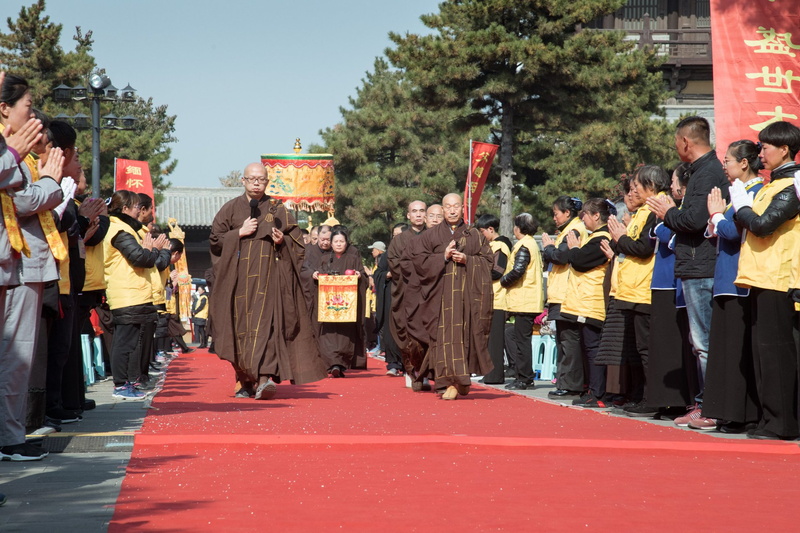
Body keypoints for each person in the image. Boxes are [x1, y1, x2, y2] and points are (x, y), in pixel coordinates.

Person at [209, 163, 326, 399]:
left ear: (267, 182)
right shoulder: (230, 209)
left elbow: (298, 242)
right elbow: (215, 240)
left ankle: (263, 380)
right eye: (252, 179)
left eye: (261, 180)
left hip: (269, 283)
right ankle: (245, 381)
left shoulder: (278, 209)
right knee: (240, 331)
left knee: (268, 328)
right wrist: (238, 233)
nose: (256, 183)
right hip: (238, 283)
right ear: (242, 181)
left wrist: (283, 241)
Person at [646, 116, 729, 424]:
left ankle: (709, 407)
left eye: (676, 142)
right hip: (697, 263)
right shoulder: (703, 171)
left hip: (701, 264)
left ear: (685, 142)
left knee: (704, 341)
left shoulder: (707, 172)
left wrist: (668, 212)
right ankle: (705, 403)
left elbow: (694, 221)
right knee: (701, 342)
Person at [1, 71, 65, 461]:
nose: (34, 116)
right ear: (5, 108)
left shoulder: (16, 153)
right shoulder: (11, 151)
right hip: (15, 259)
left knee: (17, 355)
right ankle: (9, 437)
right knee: (15, 354)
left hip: (21, 261)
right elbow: (21, 202)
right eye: (28, 107)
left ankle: (10, 436)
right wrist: (52, 183)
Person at [731, 121, 800, 440]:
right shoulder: (773, 185)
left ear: (785, 149)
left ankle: (782, 422)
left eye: (766, 147)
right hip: (761, 276)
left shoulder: (793, 185)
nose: (761, 153)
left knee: (776, 354)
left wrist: (741, 207)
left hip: (780, 278)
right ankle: (768, 417)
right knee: (762, 354)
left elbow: (763, 225)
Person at [699, 140, 764, 432]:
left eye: (728, 160)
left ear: (744, 163)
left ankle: (739, 414)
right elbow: (717, 231)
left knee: (737, 351)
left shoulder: (755, 192)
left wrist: (715, 215)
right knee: (723, 350)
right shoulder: (735, 193)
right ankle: (722, 410)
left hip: (741, 279)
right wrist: (716, 217)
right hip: (724, 279)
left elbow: (733, 229)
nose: (724, 166)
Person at [411, 193, 493, 399]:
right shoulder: (431, 236)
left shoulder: (474, 234)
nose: (453, 210)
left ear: (463, 208)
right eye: (448, 207)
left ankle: (460, 380)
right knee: (444, 340)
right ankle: (450, 383)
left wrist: (468, 259)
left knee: (464, 337)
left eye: (456, 206)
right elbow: (419, 262)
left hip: (467, 298)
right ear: (442, 210)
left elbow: (489, 261)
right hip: (440, 298)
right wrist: (443, 257)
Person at [609, 165, 670, 417]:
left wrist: (621, 239)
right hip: (632, 290)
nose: (632, 190)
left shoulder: (657, 209)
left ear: (652, 187)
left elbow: (644, 247)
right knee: (637, 349)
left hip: (645, 290)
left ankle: (652, 398)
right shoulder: (644, 211)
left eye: (637, 186)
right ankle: (643, 395)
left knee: (647, 350)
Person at [104, 190, 170, 400]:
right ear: (124, 209)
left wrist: (149, 250)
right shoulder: (119, 230)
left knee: (130, 340)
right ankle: (121, 385)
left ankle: (128, 383)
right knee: (124, 341)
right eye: (135, 207)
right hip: (126, 292)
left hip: (133, 292)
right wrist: (153, 250)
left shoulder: (124, 229)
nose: (138, 212)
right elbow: (140, 257)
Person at [561, 199, 614, 407]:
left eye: (585, 214)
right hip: (584, 301)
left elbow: (580, 260)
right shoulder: (595, 237)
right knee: (588, 346)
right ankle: (592, 389)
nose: (582, 218)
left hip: (592, 301)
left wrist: (574, 249)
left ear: (596, 216)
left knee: (593, 347)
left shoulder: (602, 238)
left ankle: (598, 393)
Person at [541, 196, 587, 398]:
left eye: (556, 213)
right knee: (563, 340)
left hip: (568, 295)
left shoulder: (574, 230)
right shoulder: (567, 231)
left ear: (567, 213)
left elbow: (561, 256)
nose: (554, 218)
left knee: (569, 341)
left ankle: (572, 385)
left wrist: (549, 248)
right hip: (559, 294)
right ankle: (564, 381)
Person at [312, 228, 368, 377]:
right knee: (329, 333)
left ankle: (341, 364)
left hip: (346, 306)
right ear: (331, 243)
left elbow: (364, 277)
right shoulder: (324, 259)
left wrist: (358, 275)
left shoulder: (353, 259)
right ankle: (331, 364)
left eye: (341, 241)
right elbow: (318, 274)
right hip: (328, 304)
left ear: (346, 243)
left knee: (344, 333)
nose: (338, 244)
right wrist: (316, 275)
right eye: (335, 241)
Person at [387, 200, 429, 389]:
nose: (418, 215)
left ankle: (425, 372)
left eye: (422, 211)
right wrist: (421, 266)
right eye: (414, 211)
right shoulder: (398, 240)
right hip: (405, 293)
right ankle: (411, 369)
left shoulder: (432, 236)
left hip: (428, 293)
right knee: (406, 332)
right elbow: (395, 266)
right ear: (408, 215)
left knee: (426, 332)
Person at [500, 213, 543, 391]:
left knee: (521, 341)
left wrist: (503, 281)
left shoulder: (524, 245)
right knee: (520, 339)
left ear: (519, 228)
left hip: (525, 299)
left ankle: (524, 378)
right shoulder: (531, 243)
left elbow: (518, 270)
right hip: (527, 299)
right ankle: (523, 376)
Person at [474, 214, 511, 384]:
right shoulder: (491, 245)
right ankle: (490, 374)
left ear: (491, 229)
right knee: (489, 338)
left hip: (498, 297)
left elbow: (498, 271)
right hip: (489, 297)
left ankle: (495, 375)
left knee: (495, 339)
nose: (480, 236)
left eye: (482, 232)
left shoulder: (500, 245)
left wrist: (477, 271)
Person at [374, 224, 406, 376]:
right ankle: (393, 363)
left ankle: (407, 364)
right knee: (390, 328)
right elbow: (378, 273)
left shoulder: (413, 251)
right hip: (391, 295)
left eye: (399, 235)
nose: (396, 238)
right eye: (394, 235)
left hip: (408, 295)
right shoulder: (387, 254)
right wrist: (387, 275)